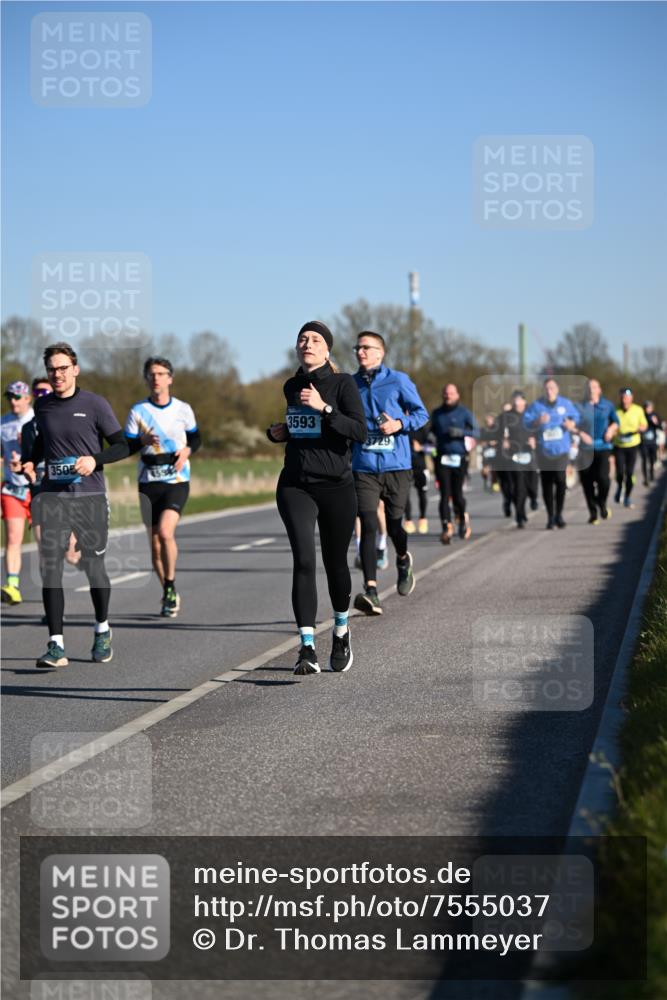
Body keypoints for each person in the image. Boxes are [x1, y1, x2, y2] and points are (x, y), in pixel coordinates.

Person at [22, 342, 129, 668]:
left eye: (63, 368)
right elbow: (42, 443)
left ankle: (102, 629)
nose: (57, 374)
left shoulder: (94, 404)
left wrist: (93, 460)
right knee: (50, 568)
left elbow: (122, 445)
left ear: (75, 369)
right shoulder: (43, 408)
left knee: (94, 566)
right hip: (53, 497)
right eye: (52, 369)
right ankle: (56, 644)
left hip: (90, 498)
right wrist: (30, 461)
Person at [267, 321, 366, 674]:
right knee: (304, 560)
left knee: (335, 563)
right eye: (302, 339)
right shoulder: (291, 385)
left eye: (315, 339)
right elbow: (298, 429)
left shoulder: (344, 384)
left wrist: (325, 407)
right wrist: (278, 433)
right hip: (296, 484)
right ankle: (306, 646)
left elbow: (359, 431)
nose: (307, 343)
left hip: (337, 487)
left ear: (327, 351)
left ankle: (340, 629)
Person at [351, 331, 429, 616]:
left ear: (380, 353)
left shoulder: (398, 380)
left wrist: (398, 423)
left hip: (397, 465)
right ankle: (371, 590)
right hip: (364, 466)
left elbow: (421, 414)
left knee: (395, 525)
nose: (360, 352)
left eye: (366, 347)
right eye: (357, 348)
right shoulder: (350, 383)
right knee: (368, 523)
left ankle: (402, 559)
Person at [125, 357, 201, 617]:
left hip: (176, 481)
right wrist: (141, 440)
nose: (156, 378)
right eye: (152, 374)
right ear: (146, 379)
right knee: (155, 544)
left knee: (166, 533)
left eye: (161, 373)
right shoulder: (138, 411)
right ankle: (168, 588)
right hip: (148, 483)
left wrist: (187, 451)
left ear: (170, 378)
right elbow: (126, 446)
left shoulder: (182, 409)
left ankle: (169, 587)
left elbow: (196, 438)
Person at [524, 377, 580, 529]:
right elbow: (526, 422)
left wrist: (571, 424)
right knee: (547, 484)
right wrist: (538, 422)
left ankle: (559, 514)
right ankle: (550, 516)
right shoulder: (536, 406)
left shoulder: (565, 404)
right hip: (544, 451)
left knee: (561, 480)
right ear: (544, 390)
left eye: (552, 388)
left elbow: (576, 417)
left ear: (557, 390)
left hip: (561, 450)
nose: (550, 391)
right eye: (547, 388)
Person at [431, 383, 479, 543]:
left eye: (451, 393)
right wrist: (430, 437)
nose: (448, 396)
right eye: (446, 393)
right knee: (445, 494)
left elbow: (477, 432)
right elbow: (430, 431)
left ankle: (462, 519)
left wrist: (461, 433)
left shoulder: (464, 413)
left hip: (459, 458)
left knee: (457, 495)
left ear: (457, 395)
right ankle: (446, 527)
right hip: (442, 458)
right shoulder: (437, 413)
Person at [1, 381, 34, 605]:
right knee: (13, 538)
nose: (13, 401)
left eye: (18, 397)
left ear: (28, 399)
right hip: (12, 489)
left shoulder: (39, 420)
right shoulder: (2, 423)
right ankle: (12, 586)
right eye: (10, 397)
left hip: (38, 488)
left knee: (57, 547)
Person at [576, 379, 619, 524]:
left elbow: (616, 421)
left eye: (594, 387)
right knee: (587, 482)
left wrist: (611, 430)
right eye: (588, 387)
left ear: (599, 390)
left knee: (603, 480)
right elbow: (570, 423)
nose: (591, 389)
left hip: (603, 447)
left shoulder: (607, 405)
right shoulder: (579, 406)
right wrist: (580, 433)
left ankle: (601, 503)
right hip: (585, 449)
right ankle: (593, 513)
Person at [497, 390, 537, 528]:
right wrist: (504, 440)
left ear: (524, 401)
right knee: (519, 487)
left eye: (519, 400)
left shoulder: (531, 414)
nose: (516, 402)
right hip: (514, 455)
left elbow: (539, 429)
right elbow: (500, 432)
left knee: (531, 484)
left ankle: (534, 497)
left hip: (529, 453)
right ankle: (520, 515)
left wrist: (534, 439)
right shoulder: (506, 417)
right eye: (514, 400)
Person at [613, 388, 647, 508]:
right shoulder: (615, 410)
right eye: (622, 397)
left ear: (631, 398)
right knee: (620, 473)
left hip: (633, 445)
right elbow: (610, 424)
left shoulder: (638, 410)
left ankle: (627, 496)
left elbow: (644, 425)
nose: (624, 400)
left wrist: (639, 429)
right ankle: (619, 488)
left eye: (627, 397)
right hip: (618, 445)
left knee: (630, 473)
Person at [403, 425, 433, 535]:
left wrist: (421, 448)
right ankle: (408, 520)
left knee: (422, 494)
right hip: (405, 467)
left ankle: (423, 519)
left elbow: (434, 449)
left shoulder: (422, 429)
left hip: (420, 467)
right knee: (405, 494)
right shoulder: (400, 427)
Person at [640, 401, 661, 486]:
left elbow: (660, 427)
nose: (647, 409)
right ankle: (645, 478)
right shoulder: (641, 416)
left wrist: (656, 422)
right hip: (643, 442)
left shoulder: (655, 415)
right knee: (644, 459)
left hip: (652, 442)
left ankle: (651, 473)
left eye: (649, 407)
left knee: (652, 459)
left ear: (652, 408)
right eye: (646, 407)